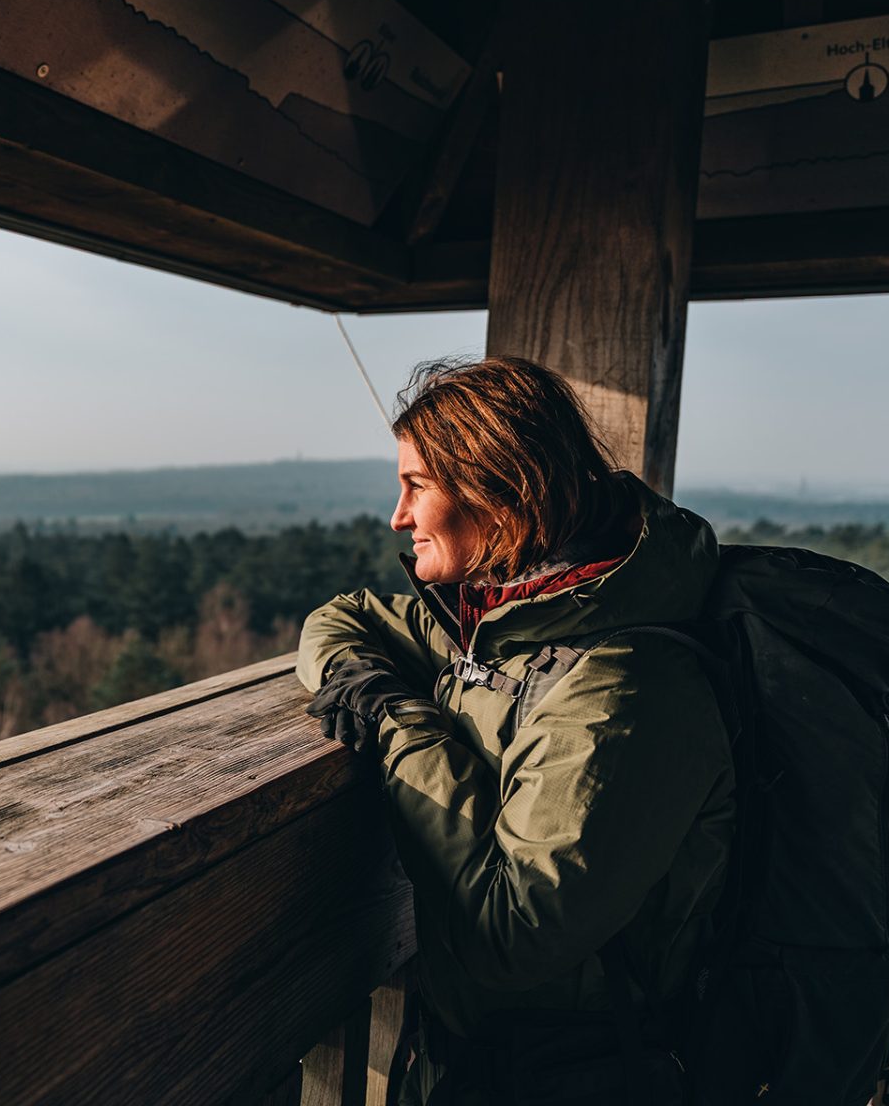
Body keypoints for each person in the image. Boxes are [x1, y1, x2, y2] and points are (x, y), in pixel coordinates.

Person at [297, 356, 736, 1106]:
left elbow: (514, 934)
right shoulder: (506, 628)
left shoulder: (624, 686)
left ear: (498, 493)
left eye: (417, 486)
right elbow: (343, 619)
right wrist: (362, 681)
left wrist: (398, 723)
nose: (399, 517)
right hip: (491, 1060)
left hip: (589, 1073)